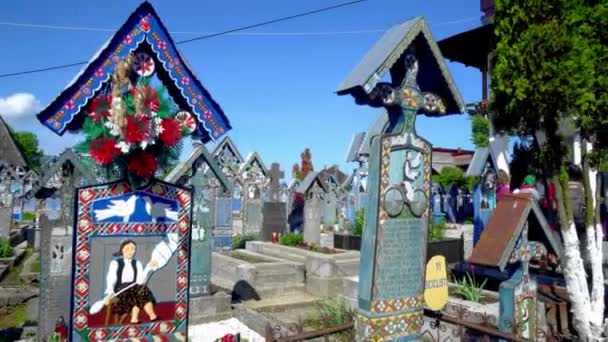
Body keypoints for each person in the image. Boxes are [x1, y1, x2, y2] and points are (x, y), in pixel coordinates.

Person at [103, 239, 158, 324]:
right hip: (120, 290)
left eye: (133, 249)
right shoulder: (116, 263)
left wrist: (148, 268)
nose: (131, 251)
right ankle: (134, 318)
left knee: (142, 290)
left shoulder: (137, 263)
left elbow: (140, 281)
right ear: (122, 250)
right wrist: (109, 294)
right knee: (135, 293)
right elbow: (111, 278)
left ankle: (152, 315)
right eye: (128, 249)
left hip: (135, 288)